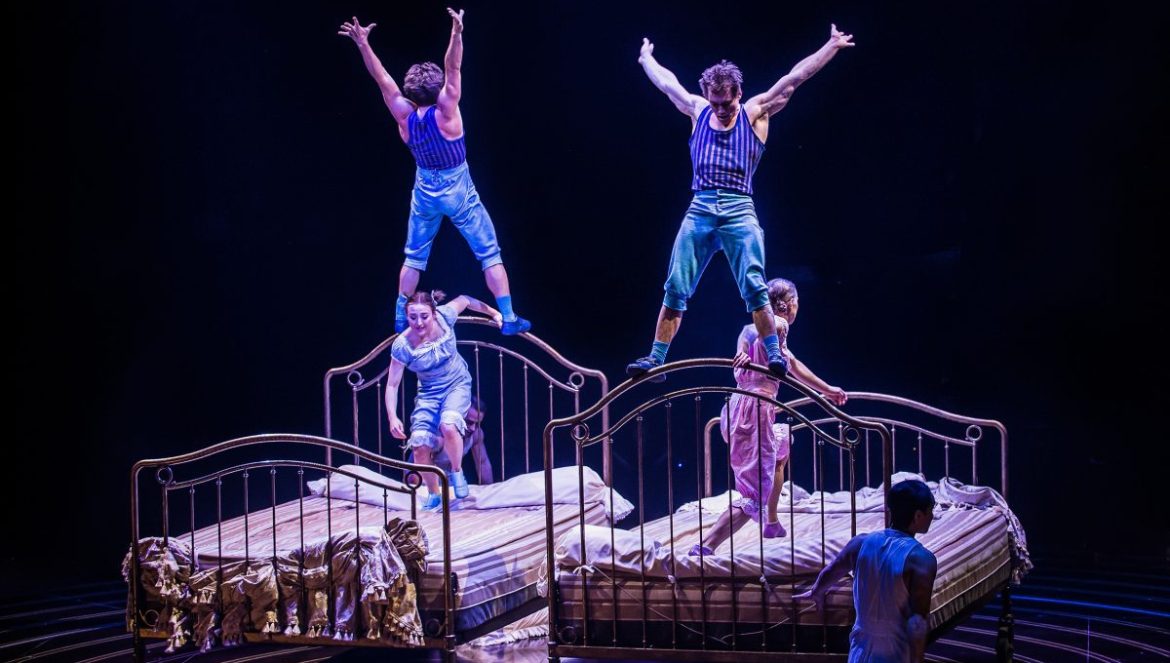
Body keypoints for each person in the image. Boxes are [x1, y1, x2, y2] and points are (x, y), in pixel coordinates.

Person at [625, 26, 855, 383]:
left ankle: (775, 356)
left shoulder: (755, 112)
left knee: (754, 284)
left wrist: (832, 45)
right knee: (676, 285)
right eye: (715, 103)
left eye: (727, 103)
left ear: (738, 94)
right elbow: (668, 84)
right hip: (700, 207)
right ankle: (655, 360)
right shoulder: (699, 111)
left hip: (739, 207)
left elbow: (795, 78)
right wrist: (646, 59)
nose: (720, 110)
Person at [339, 9, 531, 336]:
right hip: (458, 189)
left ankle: (400, 315)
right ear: (439, 90)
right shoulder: (447, 112)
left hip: (426, 189)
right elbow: (453, 68)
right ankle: (509, 318)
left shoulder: (404, 116)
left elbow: (382, 79)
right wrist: (456, 33)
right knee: (489, 254)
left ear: (410, 92)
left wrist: (363, 44)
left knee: (414, 257)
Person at [692, 278, 847, 555]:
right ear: (787, 304)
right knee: (754, 493)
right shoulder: (778, 325)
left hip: (745, 407)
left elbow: (790, 364)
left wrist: (827, 390)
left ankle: (771, 521)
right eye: (796, 303)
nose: (797, 309)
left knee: (779, 451)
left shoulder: (754, 331)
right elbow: (772, 347)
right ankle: (706, 546)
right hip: (754, 410)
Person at [794, 479, 939, 663]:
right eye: (930, 510)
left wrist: (817, 591)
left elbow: (830, 572)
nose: (932, 516)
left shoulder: (859, 543)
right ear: (917, 516)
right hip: (895, 651)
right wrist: (917, 658)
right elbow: (917, 620)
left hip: (861, 647)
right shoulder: (921, 559)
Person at [385, 290, 501, 508]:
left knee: (449, 425)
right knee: (419, 445)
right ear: (406, 316)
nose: (419, 323)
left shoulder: (445, 316)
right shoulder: (403, 345)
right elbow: (392, 384)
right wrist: (392, 417)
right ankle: (434, 493)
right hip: (429, 394)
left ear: (434, 313)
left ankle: (457, 473)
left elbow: (466, 299)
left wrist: (495, 313)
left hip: (457, 384)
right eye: (413, 317)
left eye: (424, 316)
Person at [428, 396, 494, 484]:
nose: (473, 428)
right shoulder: (437, 436)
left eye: (477, 424)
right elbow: (417, 464)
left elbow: (482, 463)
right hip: (426, 483)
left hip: (451, 483)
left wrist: (489, 489)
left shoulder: (476, 435)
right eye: (469, 422)